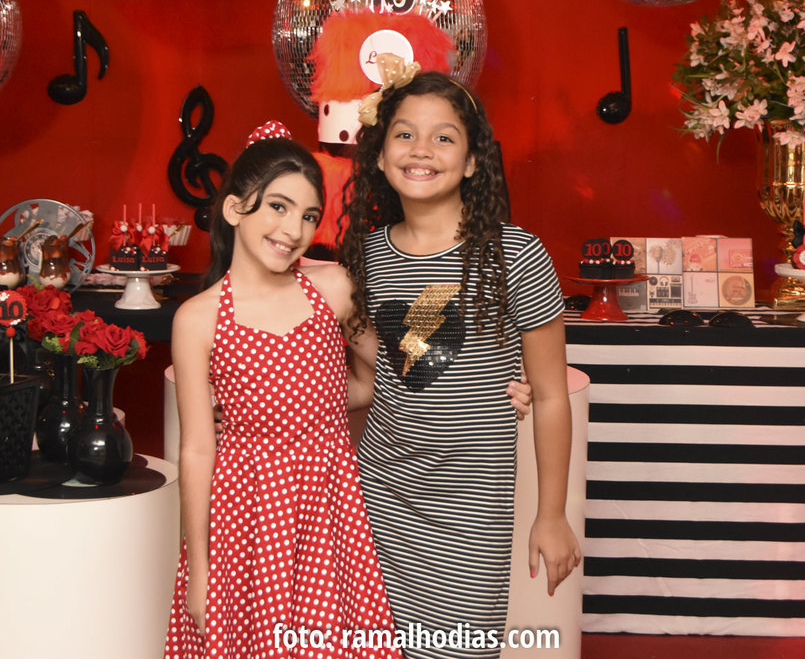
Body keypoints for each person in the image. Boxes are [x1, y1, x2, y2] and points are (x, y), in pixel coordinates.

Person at [340, 60, 581, 658]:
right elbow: (376, 379)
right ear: (379, 155)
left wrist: (551, 515)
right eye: (404, 134)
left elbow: (551, 394)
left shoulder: (515, 256)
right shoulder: (360, 259)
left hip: (472, 508)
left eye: (443, 137)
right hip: (378, 496)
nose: (421, 149)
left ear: (473, 161)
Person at [163, 123, 401, 659]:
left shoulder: (333, 288)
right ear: (234, 209)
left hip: (327, 509)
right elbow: (197, 448)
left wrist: (493, 375)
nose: (294, 230)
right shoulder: (198, 318)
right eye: (278, 207)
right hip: (243, 518)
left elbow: (390, 369)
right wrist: (198, 569)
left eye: (310, 215)